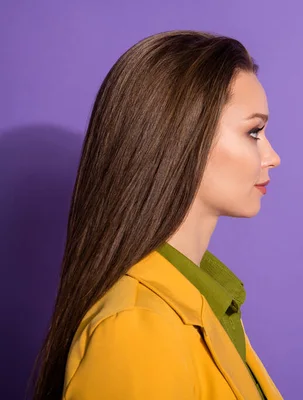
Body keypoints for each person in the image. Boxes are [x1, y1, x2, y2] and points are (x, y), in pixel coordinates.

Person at [31, 30, 282, 400]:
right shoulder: (135, 327)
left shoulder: (199, 302)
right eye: (254, 131)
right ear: (183, 135)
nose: (272, 156)